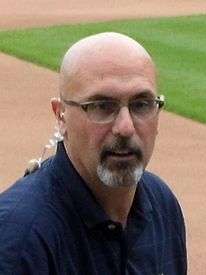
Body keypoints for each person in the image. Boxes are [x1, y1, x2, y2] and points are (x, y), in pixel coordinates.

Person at [0, 32, 187, 275]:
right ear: (61, 116)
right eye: (102, 106)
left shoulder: (162, 205)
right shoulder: (20, 239)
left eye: (141, 104)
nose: (125, 127)